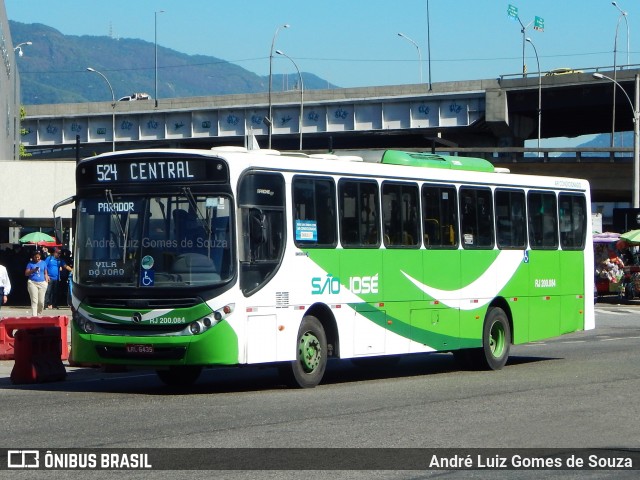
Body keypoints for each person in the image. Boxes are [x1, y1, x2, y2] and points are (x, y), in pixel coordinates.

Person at [25, 251, 49, 316]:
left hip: (42, 283)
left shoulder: (43, 263)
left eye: (38, 257)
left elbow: (45, 273)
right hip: (32, 283)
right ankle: (34, 317)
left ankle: (39, 314)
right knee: (34, 301)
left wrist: (46, 282)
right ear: (33, 257)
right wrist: (33, 270)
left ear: (40, 256)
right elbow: (26, 273)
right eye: (36, 257)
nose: (37, 259)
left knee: (41, 302)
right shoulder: (30, 263)